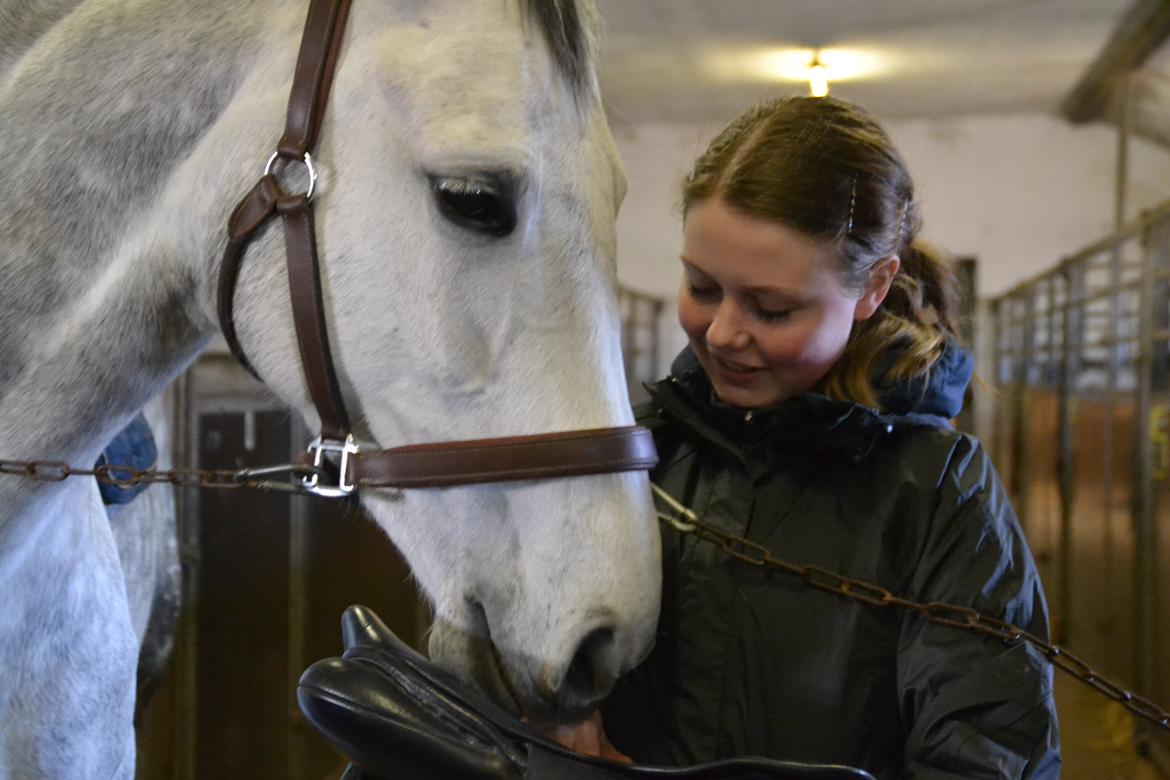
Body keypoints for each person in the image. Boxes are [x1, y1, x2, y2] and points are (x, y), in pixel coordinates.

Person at [558, 96, 1061, 778]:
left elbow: (989, 750)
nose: (722, 333)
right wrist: (560, 710)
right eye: (702, 287)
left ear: (873, 287)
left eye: (771, 308)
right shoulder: (643, 450)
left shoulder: (940, 494)